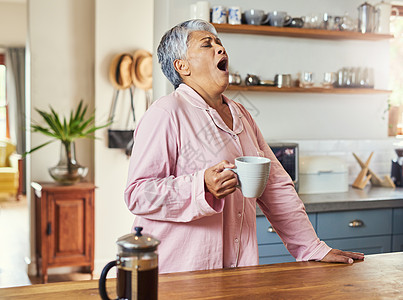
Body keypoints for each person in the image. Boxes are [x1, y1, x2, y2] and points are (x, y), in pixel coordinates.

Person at [124, 19, 364, 274]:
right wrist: (200, 185)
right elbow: (138, 194)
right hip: (179, 274)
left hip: (237, 271)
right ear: (182, 66)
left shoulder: (240, 113)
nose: (220, 49)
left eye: (219, 43)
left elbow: (275, 185)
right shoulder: (166, 113)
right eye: (207, 45)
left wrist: (313, 248)